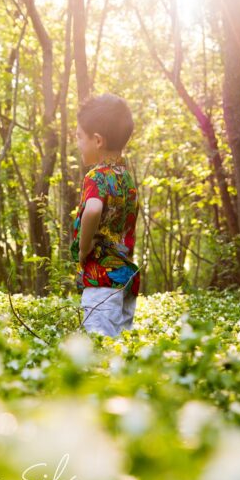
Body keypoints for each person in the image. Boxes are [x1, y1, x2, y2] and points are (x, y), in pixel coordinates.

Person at [71, 94, 140, 337]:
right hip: (126, 278)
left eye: (80, 136)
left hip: (101, 277)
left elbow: (93, 210)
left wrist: (84, 247)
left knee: (99, 346)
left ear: (98, 140)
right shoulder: (126, 179)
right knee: (120, 345)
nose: (77, 143)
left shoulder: (96, 177)